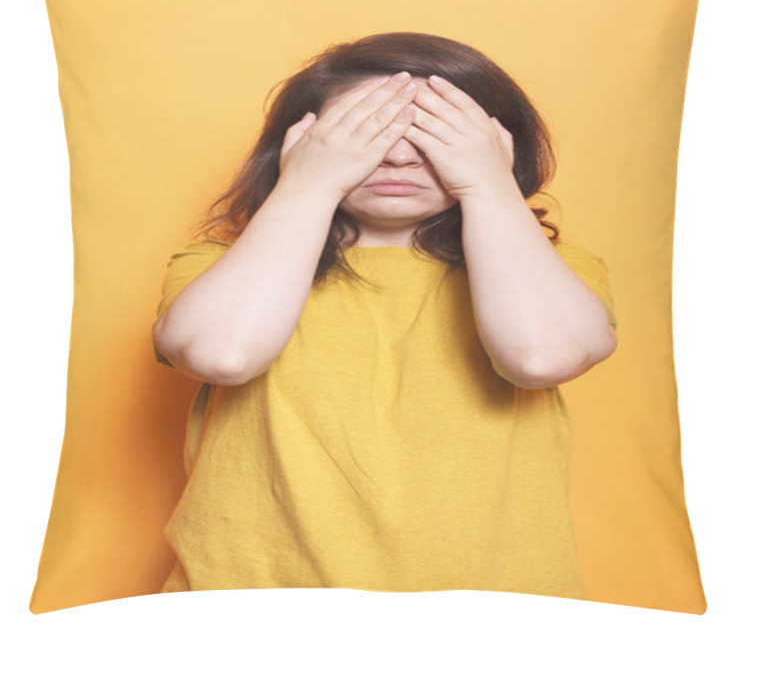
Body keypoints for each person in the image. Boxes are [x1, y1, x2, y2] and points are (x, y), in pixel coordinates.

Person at [152, 32, 618, 599]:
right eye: (369, 134)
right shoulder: (215, 267)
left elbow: (540, 356)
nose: (399, 157)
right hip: (251, 598)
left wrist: (488, 183)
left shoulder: (558, 272)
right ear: (300, 142)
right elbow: (221, 354)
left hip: (495, 606)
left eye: (432, 135)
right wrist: (310, 183)